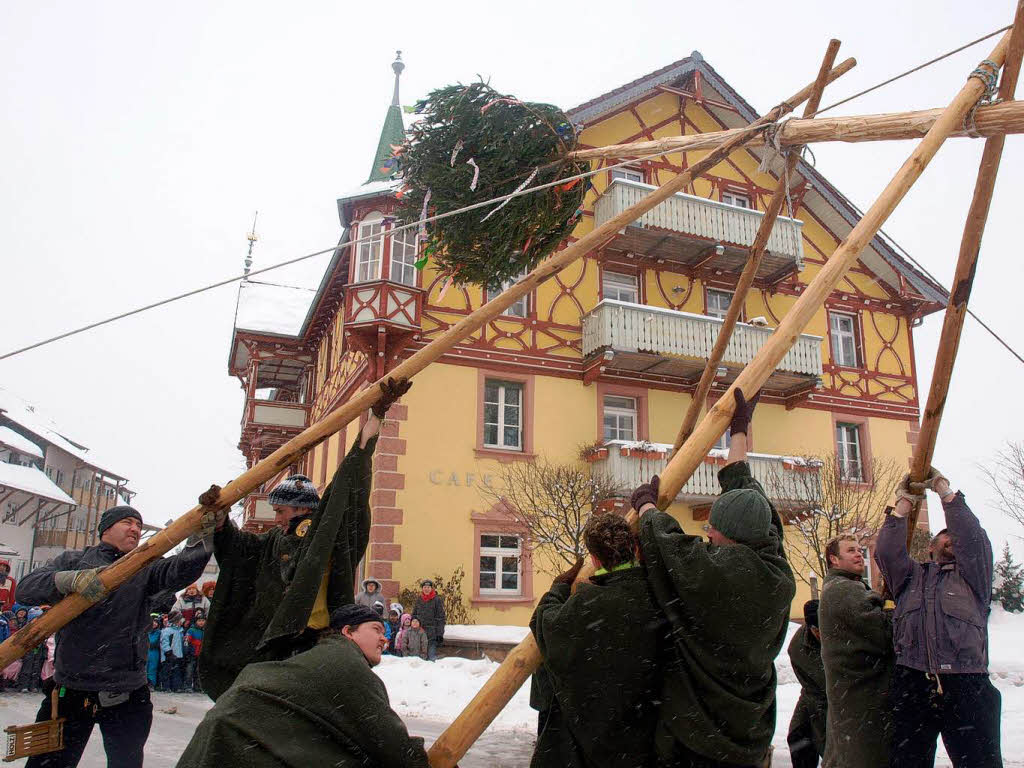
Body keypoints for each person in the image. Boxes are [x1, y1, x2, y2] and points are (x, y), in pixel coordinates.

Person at [198, 377, 410, 700]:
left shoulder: (324, 532)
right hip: (280, 644)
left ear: (301, 509)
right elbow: (238, 550)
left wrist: (376, 418)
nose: (277, 518)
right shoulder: (270, 542)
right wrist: (220, 518)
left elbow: (348, 479)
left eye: (281, 510)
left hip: (316, 641)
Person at [630, 389, 795, 767]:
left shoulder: (719, 572)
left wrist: (647, 507)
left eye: (713, 528)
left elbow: (669, 545)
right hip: (749, 729)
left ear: (731, 537)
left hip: (701, 734)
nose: (708, 531)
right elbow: (747, 493)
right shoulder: (776, 569)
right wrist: (740, 431)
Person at [15, 504, 211, 768]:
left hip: (126, 692)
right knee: (47, 765)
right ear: (106, 528)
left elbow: (182, 570)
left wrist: (202, 536)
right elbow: (25, 590)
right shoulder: (74, 561)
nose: (135, 529)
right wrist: (68, 581)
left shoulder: (145, 565)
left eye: (139, 526)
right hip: (69, 690)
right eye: (128, 522)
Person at [177, 604, 429, 768]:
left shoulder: (326, 656)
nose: (384, 638)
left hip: (224, 745)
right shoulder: (344, 663)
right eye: (376, 629)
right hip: (239, 748)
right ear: (348, 632)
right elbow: (388, 741)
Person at [875, 468, 1001, 767]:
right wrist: (904, 502)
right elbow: (886, 550)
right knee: (907, 761)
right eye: (944, 537)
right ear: (930, 547)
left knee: (980, 762)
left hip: (966, 682)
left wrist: (944, 490)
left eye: (954, 537)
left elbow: (971, 536)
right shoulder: (908, 577)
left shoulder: (973, 578)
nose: (952, 540)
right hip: (914, 682)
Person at [530, 513, 665, 768]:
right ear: (634, 548)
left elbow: (546, 624)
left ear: (593, 558)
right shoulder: (657, 596)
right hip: (644, 744)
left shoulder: (588, 604)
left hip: (587, 747)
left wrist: (558, 589)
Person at [819, 534, 893, 768]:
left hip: (853, 694)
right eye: (851, 550)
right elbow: (884, 632)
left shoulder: (844, 587)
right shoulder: (843, 590)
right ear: (834, 560)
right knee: (862, 756)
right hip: (860, 695)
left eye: (860, 549)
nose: (859, 554)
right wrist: (892, 608)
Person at [787, 600, 826, 768]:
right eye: (816, 630)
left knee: (834, 745)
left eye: (822, 629)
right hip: (812, 695)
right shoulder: (798, 645)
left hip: (840, 697)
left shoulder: (840, 634)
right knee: (798, 736)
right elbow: (811, 682)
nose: (820, 634)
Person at [411, 578, 445, 661]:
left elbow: (441, 617)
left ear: (431, 589)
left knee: (431, 656)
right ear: (422, 589)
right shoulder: (419, 599)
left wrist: (440, 633)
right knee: (419, 657)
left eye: (428, 587)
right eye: (425, 587)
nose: (426, 589)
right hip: (419, 631)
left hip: (432, 632)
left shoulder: (437, 600)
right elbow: (414, 615)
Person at [159, 612, 185, 692]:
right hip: (168, 655)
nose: (182, 621)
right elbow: (164, 642)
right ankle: (166, 686)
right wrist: (168, 652)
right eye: (180, 620)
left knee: (176, 671)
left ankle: (176, 686)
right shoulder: (167, 631)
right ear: (175, 621)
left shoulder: (180, 631)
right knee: (167, 671)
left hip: (178, 655)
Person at [185, 616, 205, 691]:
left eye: (203, 620)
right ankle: (188, 686)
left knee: (198, 671)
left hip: (200, 655)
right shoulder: (191, 630)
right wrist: (187, 652)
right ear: (196, 621)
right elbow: (186, 642)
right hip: (192, 654)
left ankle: (197, 686)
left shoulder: (204, 631)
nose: (201, 622)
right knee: (189, 671)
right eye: (199, 620)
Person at [146, 617, 161, 689]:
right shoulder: (147, 631)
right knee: (145, 667)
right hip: (146, 651)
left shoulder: (158, 632)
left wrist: (146, 643)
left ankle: (151, 683)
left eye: (156, 622)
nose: (154, 623)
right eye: (153, 622)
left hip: (154, 651)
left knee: (152, 668)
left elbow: (153, 642)